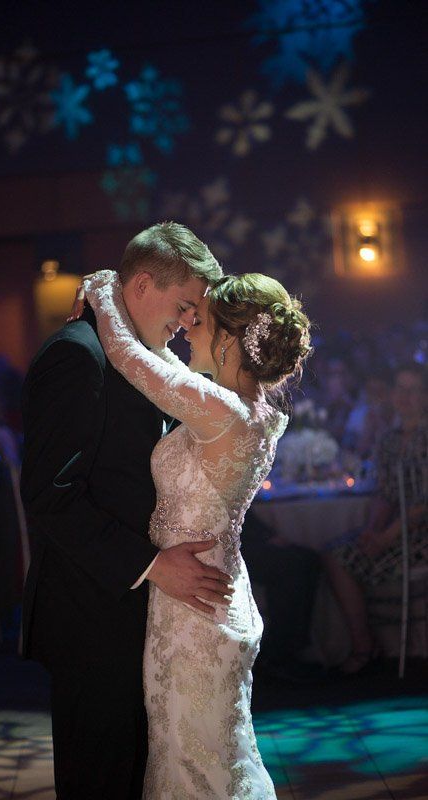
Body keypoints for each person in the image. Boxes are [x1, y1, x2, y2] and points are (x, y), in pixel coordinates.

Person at [79, 267, 312, 798]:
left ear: (229, 340)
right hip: (202, 594)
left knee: (195, 764)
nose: (186, 325)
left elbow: (129, 358)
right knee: (200, 757)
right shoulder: (241, 409)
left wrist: (102, 290)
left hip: (195, 611)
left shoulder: (222, 411)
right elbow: (161, 368)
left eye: (199, 318)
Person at [20, 222, 228, 800]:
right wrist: (154, 565)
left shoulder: (136, 356)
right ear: (140, 285)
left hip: (138, 616)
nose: (189, 322)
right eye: (184, 305)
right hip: (91, 614)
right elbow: (49, 496)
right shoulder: (77, 356)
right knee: (100, 781)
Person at [323, 363, 427, 675]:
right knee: (336, 554)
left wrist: (387, 536)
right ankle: (364, 644)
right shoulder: (389, 439)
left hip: (419, 533)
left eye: (413, 390)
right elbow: (384, 494)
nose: (404, 397)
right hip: (396, 528)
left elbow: (423, 503)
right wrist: (372, 531)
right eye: (399, 389)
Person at [240, 509, 321, 684]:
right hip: (224, 543)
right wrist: (263, 536)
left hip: (239, 535)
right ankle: (278, 656)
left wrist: (266, 535)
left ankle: (288, 651)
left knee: (308, 560)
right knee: (293, 566)